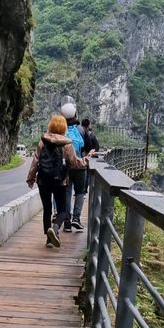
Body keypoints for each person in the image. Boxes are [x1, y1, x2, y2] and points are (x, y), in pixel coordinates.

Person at [26, 114, 88, 248]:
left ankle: (49, 240)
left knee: (47, 209)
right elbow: (74, 163)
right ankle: (55, 228)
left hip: (43, 180)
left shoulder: (43, 141)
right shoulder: (67, 143)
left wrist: (30, 178)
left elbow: (35, 162)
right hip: (60, 181)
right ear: (64, 127)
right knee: (63, 211)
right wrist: (85, 161)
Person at [60, 99, 93, 232]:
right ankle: (76, 218)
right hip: (79, 166)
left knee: (67, 193)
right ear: (75, 114)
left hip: (65, 166)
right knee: (80, 192)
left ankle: (67, 223)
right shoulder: (81, 130)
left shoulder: (61, 129)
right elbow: (89, 147)